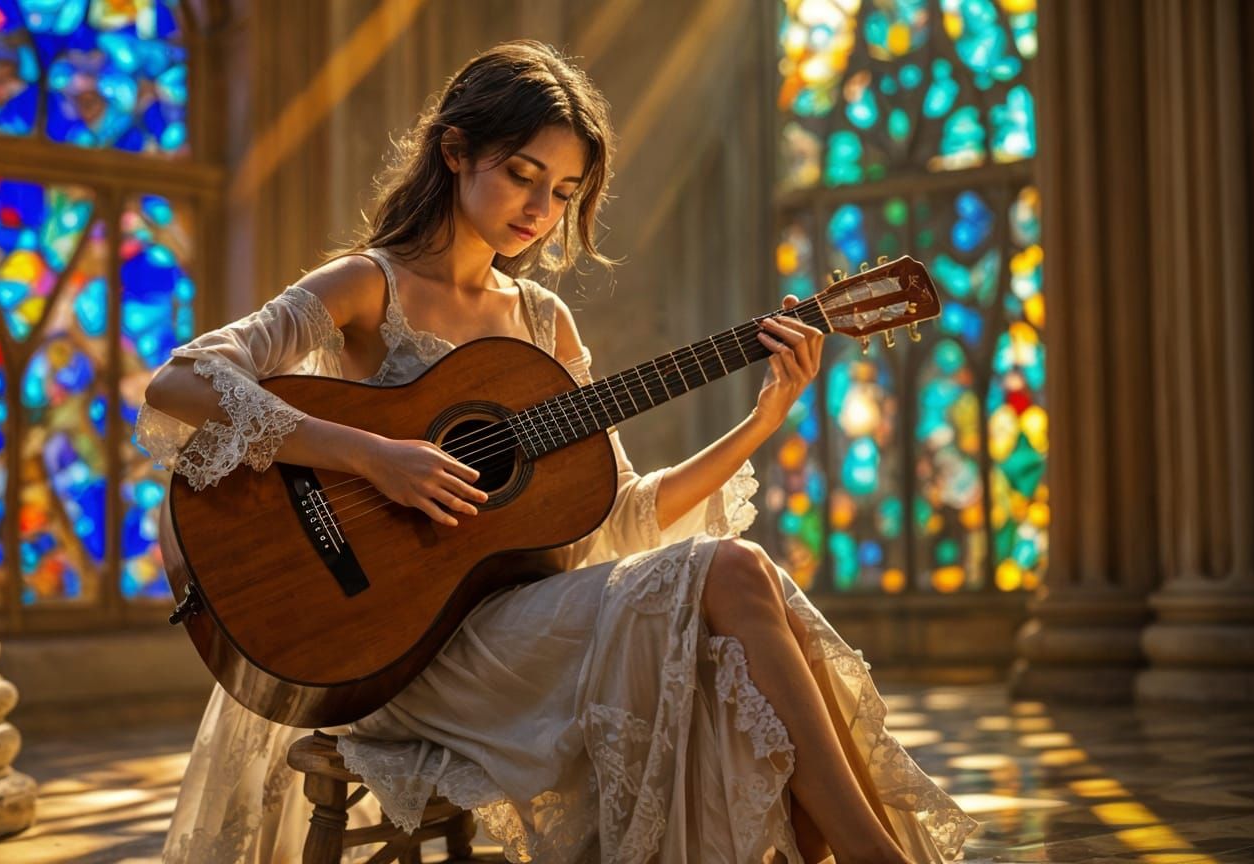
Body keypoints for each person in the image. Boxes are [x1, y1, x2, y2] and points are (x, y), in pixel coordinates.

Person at [135, 39, 974, 864]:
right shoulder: (369, 283)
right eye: (522, 174)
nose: (540, 209)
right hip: (408, 647)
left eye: (564, 191)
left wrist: (763, 419)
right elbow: (182, 381)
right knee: (736, 578)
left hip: (516, 626)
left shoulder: (543, 323)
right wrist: (370, 456)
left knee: (740, 602)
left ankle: (859, 851)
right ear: (455, 152)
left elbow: (625, 511)